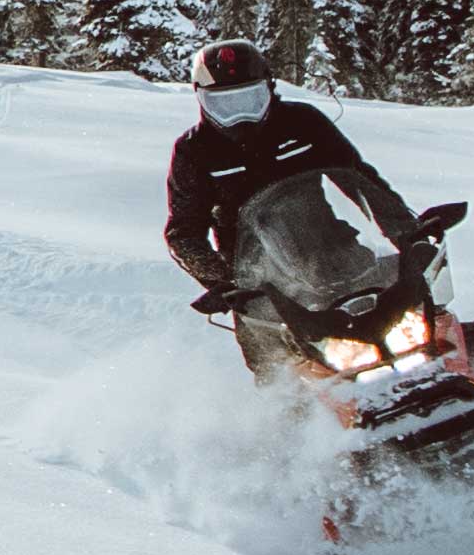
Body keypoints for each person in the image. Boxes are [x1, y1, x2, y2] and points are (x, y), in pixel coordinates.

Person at [162, 38, 423, 382]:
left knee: (416, 319)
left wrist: (410, 233)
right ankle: (288, 433)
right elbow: (183, 232)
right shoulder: (194, 153)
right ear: (201, 99)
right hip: (261, 285)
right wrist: (222, 282)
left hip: (337, 253)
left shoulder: (303, 123)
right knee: (279, 376)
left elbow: (361, 180)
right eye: (225, 104)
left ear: (268, 88)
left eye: (249, 99)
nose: (240, 115)